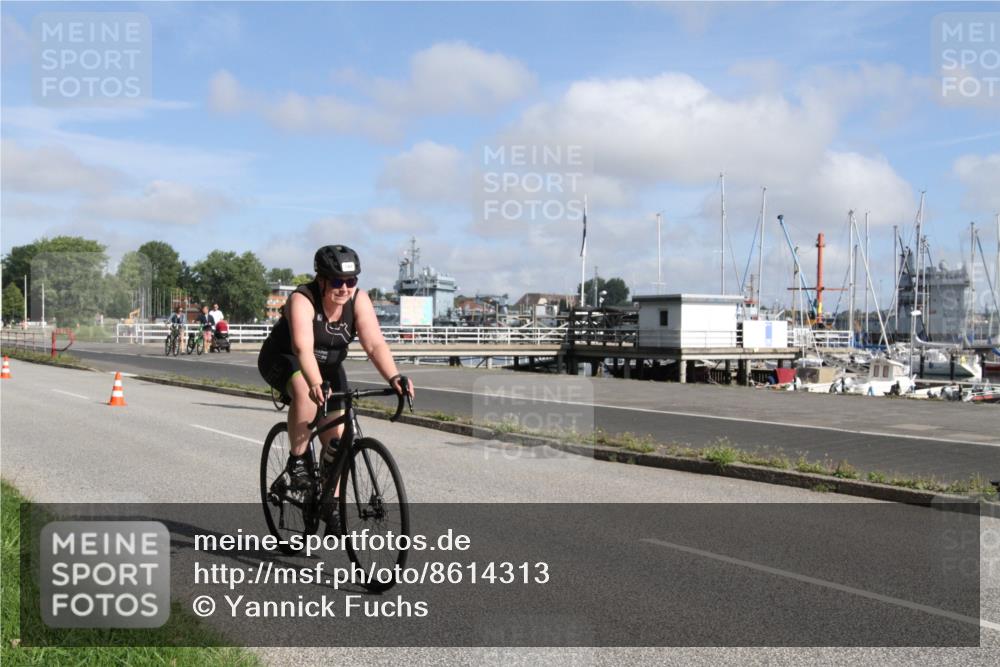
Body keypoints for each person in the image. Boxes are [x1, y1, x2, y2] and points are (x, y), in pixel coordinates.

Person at [257, 245, 414, 500]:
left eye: (351, 281)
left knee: (336, 445)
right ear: (321, 280)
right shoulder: (303, 299)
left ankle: (331, 506)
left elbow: (374, 344)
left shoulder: (358, 299)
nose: (344, 288)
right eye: (337, 282)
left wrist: (394, 377)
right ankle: (297, 460)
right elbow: (302, 348)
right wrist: (315, 383)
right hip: (285, 358)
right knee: (305, 393)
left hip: (329, 366)